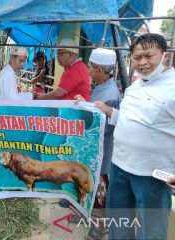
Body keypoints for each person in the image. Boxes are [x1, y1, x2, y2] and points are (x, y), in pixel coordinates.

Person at [94, 33, 175, 239]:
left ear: (164, 55)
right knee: (119, 223)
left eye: (149, 56)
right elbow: (130, 119)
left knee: (151, 231)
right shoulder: (135, 86)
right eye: (137, 58)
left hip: (152, 174)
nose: (143, 63)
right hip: (120, 167)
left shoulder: (172, 87)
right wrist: (107, 110)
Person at [75, 48, 122, 239]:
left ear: (100, 71)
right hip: (100, 147)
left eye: (90, 66)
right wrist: (83, 103)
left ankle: (99, 228)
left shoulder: (109, 93)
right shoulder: (102, 87)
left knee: (100, 190)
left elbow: (100, 123)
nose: (88, 69)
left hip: (104, 149)